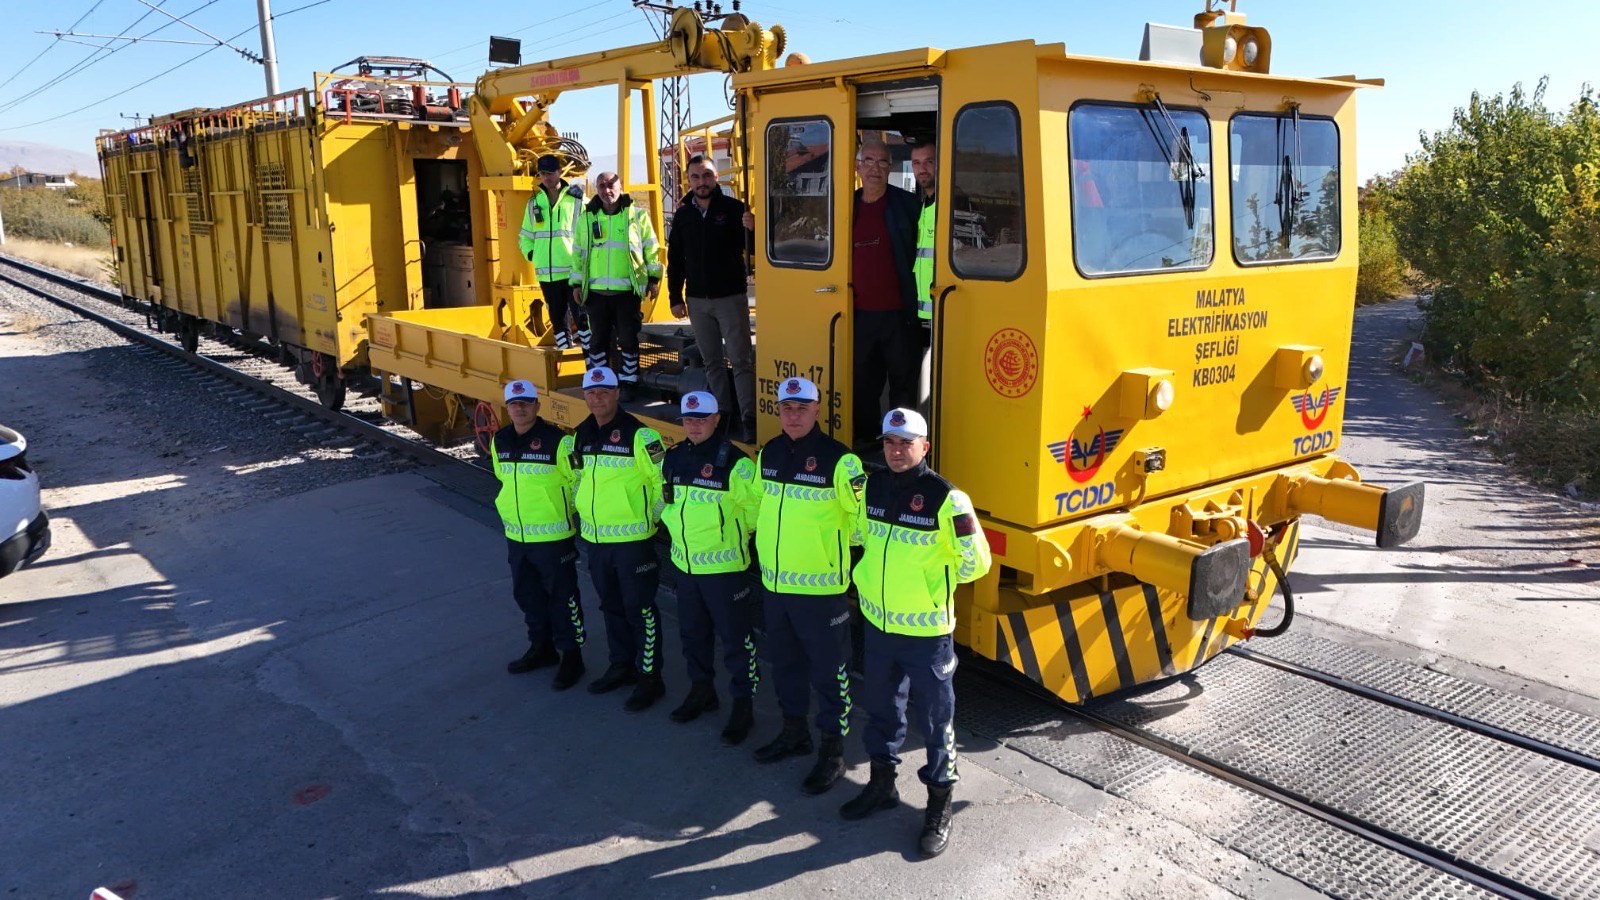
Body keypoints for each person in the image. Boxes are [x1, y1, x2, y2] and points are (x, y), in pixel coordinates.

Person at [838, 408, 992, 858]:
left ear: (925, 447)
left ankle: (938, 804)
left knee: (935, 722)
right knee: (882, 710)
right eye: (889, 442)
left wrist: (931, 584)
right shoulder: (872, 487)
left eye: (906, 443)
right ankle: (882, 785)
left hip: (926, 633)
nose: (897, 450)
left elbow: (975, 563)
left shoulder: (947, 498)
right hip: (880, 624)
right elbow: (860, 535)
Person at [752, 377, 866, 795]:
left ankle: (833, 752)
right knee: (785, 664)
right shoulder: (769, 453)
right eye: (787, 407)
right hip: (777, 585)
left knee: (829, 672)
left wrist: (831, 560)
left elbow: (861, 525)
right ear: (778, 411)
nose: (794, 414)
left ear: (818, 410)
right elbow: (761, 508)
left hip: (820, 591)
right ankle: (794, 732)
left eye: (803, 407)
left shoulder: (841, 461)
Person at [659, 390, 761, 743]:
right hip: (686, 567)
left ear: (717, 419)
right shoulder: (672, 459)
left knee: (736, 642)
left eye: (702, 418)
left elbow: (753, 516)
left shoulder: (737, 463)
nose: (694, 425)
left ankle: (743, 705)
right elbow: (668, 505)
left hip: (724, 570)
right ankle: (702, 692)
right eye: (688, 419)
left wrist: (725, 541)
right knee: (693, 636)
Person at [573, 366, 669, 711]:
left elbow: (664, 483)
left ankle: (650, 679)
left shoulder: (640, 436)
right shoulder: (580, 434)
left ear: (616, 393)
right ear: (585, 396)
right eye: (591, 393)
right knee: (610, 606)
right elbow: (577, 479)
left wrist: (650, 519)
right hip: (596, 541)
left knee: (640, 610)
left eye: (604, 392)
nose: (597, 398)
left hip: (632, 543)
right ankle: (621, 666)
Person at [491, 379, 587, 691]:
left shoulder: (559, 442)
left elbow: (579, 481)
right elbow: (503, 480)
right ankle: (541, 648)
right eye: (514, 403)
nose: (520, 408)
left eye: (526, 402)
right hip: (517, 536)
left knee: (563, 597)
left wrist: (562, 511)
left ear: (537, 406)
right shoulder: (500, 440)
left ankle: (572, 656)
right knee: (527, 594)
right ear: (507, 408)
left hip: (553, 535)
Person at [667, 154, 759, 442]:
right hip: (697, 300)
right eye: (695, 177)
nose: (701, 182)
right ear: (689, 180)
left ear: (715, 178)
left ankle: (749, 418)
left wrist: (753, 230)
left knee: (741, 360)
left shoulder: (734, 209)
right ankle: (723, 416)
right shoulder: (683, 215)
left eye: (706, 175)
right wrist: (675, 297)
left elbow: (752, 251)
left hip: (729, 297)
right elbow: (675, 259)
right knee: (713, 363)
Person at [850, 139, 922, 446]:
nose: (875, 168)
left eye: (882, 162)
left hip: (899, 315)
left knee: (903, 385)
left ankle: (901, 444)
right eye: (868, 161)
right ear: (858, 166)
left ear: (890, 167)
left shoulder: (907, 205)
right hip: (859, 315)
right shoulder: (845, 207)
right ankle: (866, 442)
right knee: (863, 385)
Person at [573, 172, 663, 402]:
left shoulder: (637, 216)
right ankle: (601, 383)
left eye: (611, 185)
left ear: (621, 185)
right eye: (601, 186)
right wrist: (575, 283)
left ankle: (629, 382)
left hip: (627, 293)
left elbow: (651, 249)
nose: (607, 190)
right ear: (597, 189)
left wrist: (653, 279)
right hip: (596, 294)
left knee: (628, 339)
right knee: (598, 341)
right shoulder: (587, 218)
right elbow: (579, 254)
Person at [518, 154, 589, 351]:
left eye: (551, 173)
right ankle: (564, 354)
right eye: (543, 174)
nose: (547, 178)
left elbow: (591, 228)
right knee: (558, 321)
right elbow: (525, 236)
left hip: (573, 272)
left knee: (582, 318)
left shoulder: (577, 200)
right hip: (547, 274)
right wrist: (532, 254)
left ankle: (592, 361)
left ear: (559, 172)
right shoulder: (533, 204)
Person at [910, 139, 937, 326]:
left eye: (929, 161)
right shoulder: (922, 206)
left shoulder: (950, 206)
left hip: (944, 310)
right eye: (916, 163)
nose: (922, 169)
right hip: (924, 314)